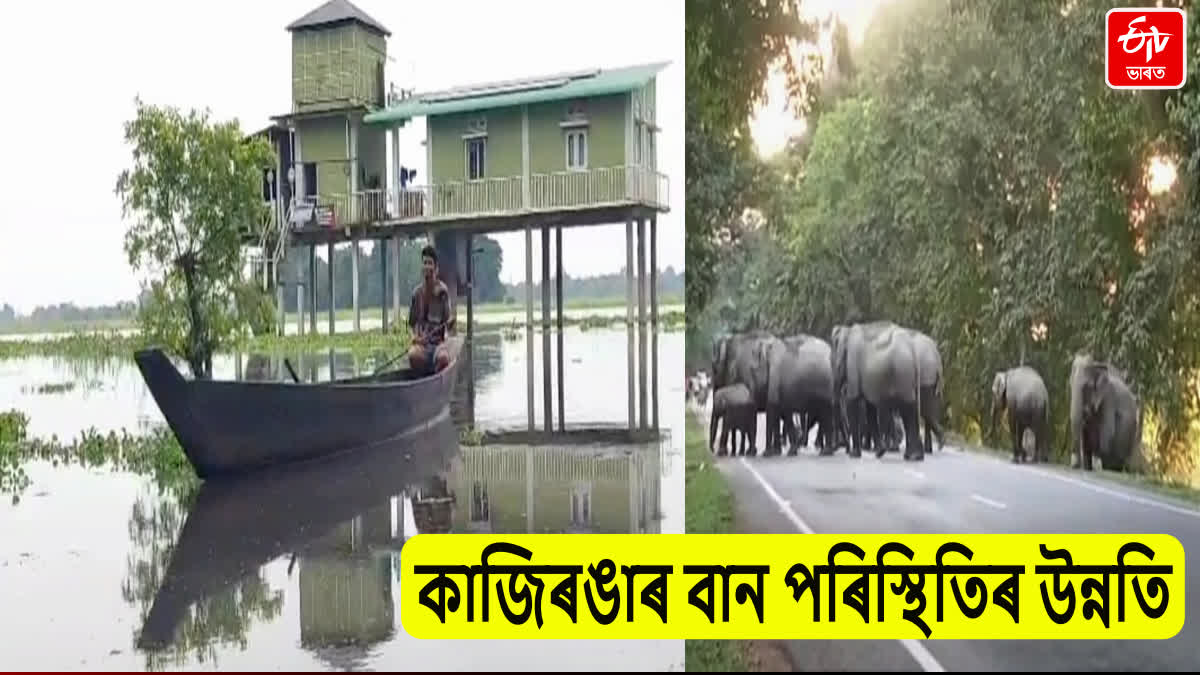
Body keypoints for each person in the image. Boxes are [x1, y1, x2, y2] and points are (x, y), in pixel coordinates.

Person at [407, 244, 454, 375]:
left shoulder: (443, 292)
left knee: (443, 358)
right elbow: (411, 324)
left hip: (438, 345)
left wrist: (450, 324)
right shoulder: (417, 293)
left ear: (436, 268)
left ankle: (436, 375)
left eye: (430, 263)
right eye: (425, 263)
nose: (427, 266)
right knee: (413, 355)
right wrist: (415, 337)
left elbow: (448, 323)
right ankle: (423, 377)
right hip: (422, 346)